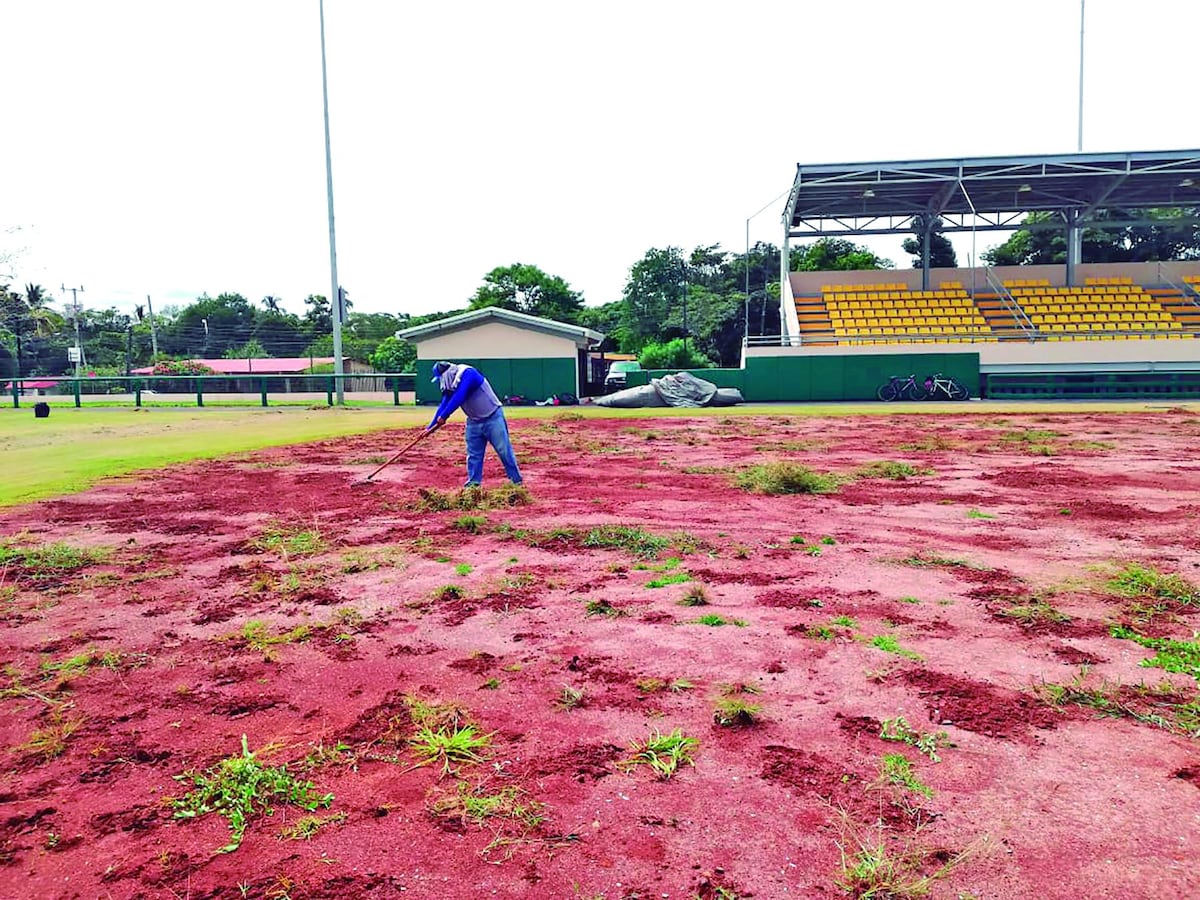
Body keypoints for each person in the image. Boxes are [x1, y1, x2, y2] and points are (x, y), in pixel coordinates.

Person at [427, 361, 523, 488]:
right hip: (473, 421)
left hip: (493, 418)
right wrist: (430, 428)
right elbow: (443, 405)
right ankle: (473, 484)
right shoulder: (451, 384)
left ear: (446, 375)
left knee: (504, 451)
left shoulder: (468, 373)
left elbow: (460, 396)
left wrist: (444, 416)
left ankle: (516, 482)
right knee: (474, 455)